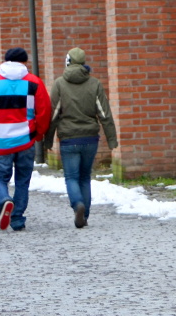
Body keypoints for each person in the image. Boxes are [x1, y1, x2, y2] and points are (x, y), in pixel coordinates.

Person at [0, 47, 52, 231]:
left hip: (1, 139)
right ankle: (17, 219)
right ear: (24, 62)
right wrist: (40, 133)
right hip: (26, 138)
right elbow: (44, 111)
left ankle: (3, 200)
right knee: (22, 180)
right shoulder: (34, 82)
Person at [45, 47, 118, 228]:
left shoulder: (60, 84)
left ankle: (77, 204)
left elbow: (52, 115)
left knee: (71, 177)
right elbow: (104, 114)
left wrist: (47, 140)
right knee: (85, 177)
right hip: (90, 138)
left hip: (68, 139)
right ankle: (84, 215)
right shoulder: (95, 84)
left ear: (68, 62)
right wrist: (111, 139)